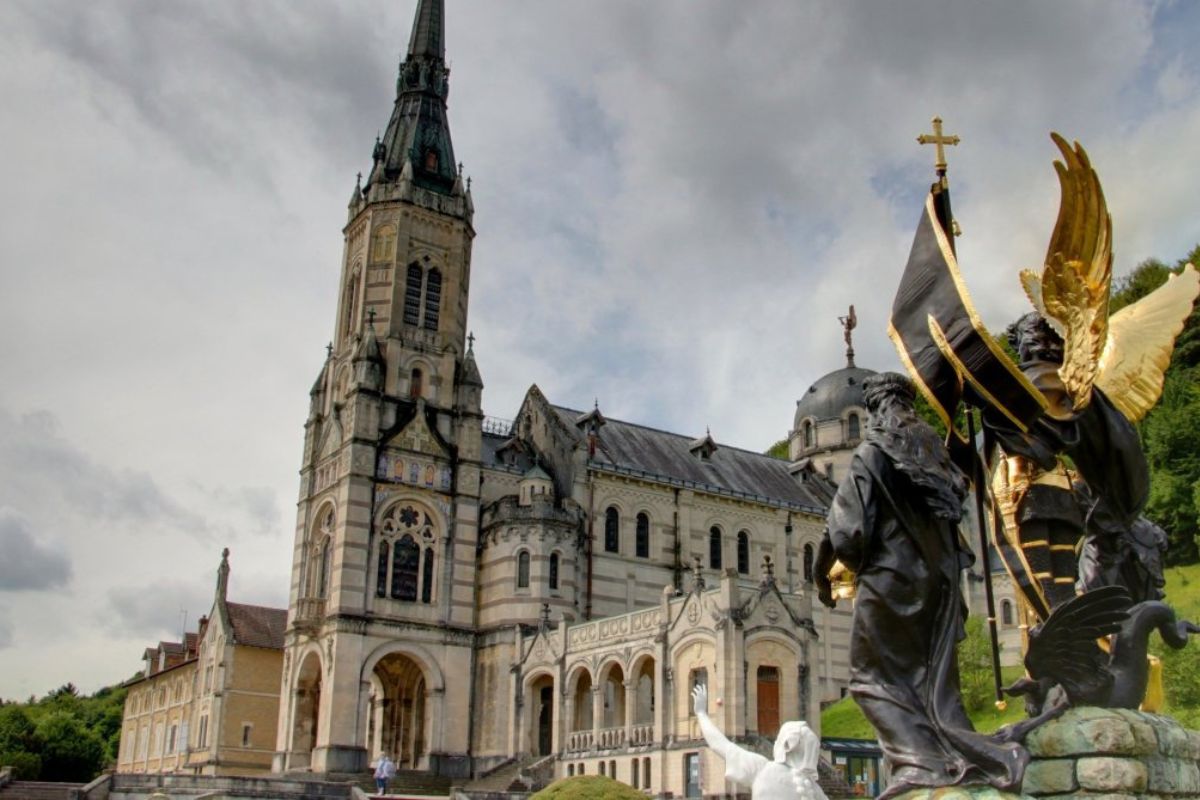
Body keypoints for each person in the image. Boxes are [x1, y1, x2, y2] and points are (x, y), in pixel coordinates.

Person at [815, 372, 1028, 799]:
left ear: (874, 410)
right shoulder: (938, 459)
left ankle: (922, 764)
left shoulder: (873, 452)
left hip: (891, 583)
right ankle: (977, 758)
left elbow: (847, 531)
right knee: (934, 679)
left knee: (869, 677)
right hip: (942, 585)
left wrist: (826, 571)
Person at [691, 683, 826, 800]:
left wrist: (701, 713)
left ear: (786, 746)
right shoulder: (814, 790)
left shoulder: (762, 768)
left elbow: (720, 744)